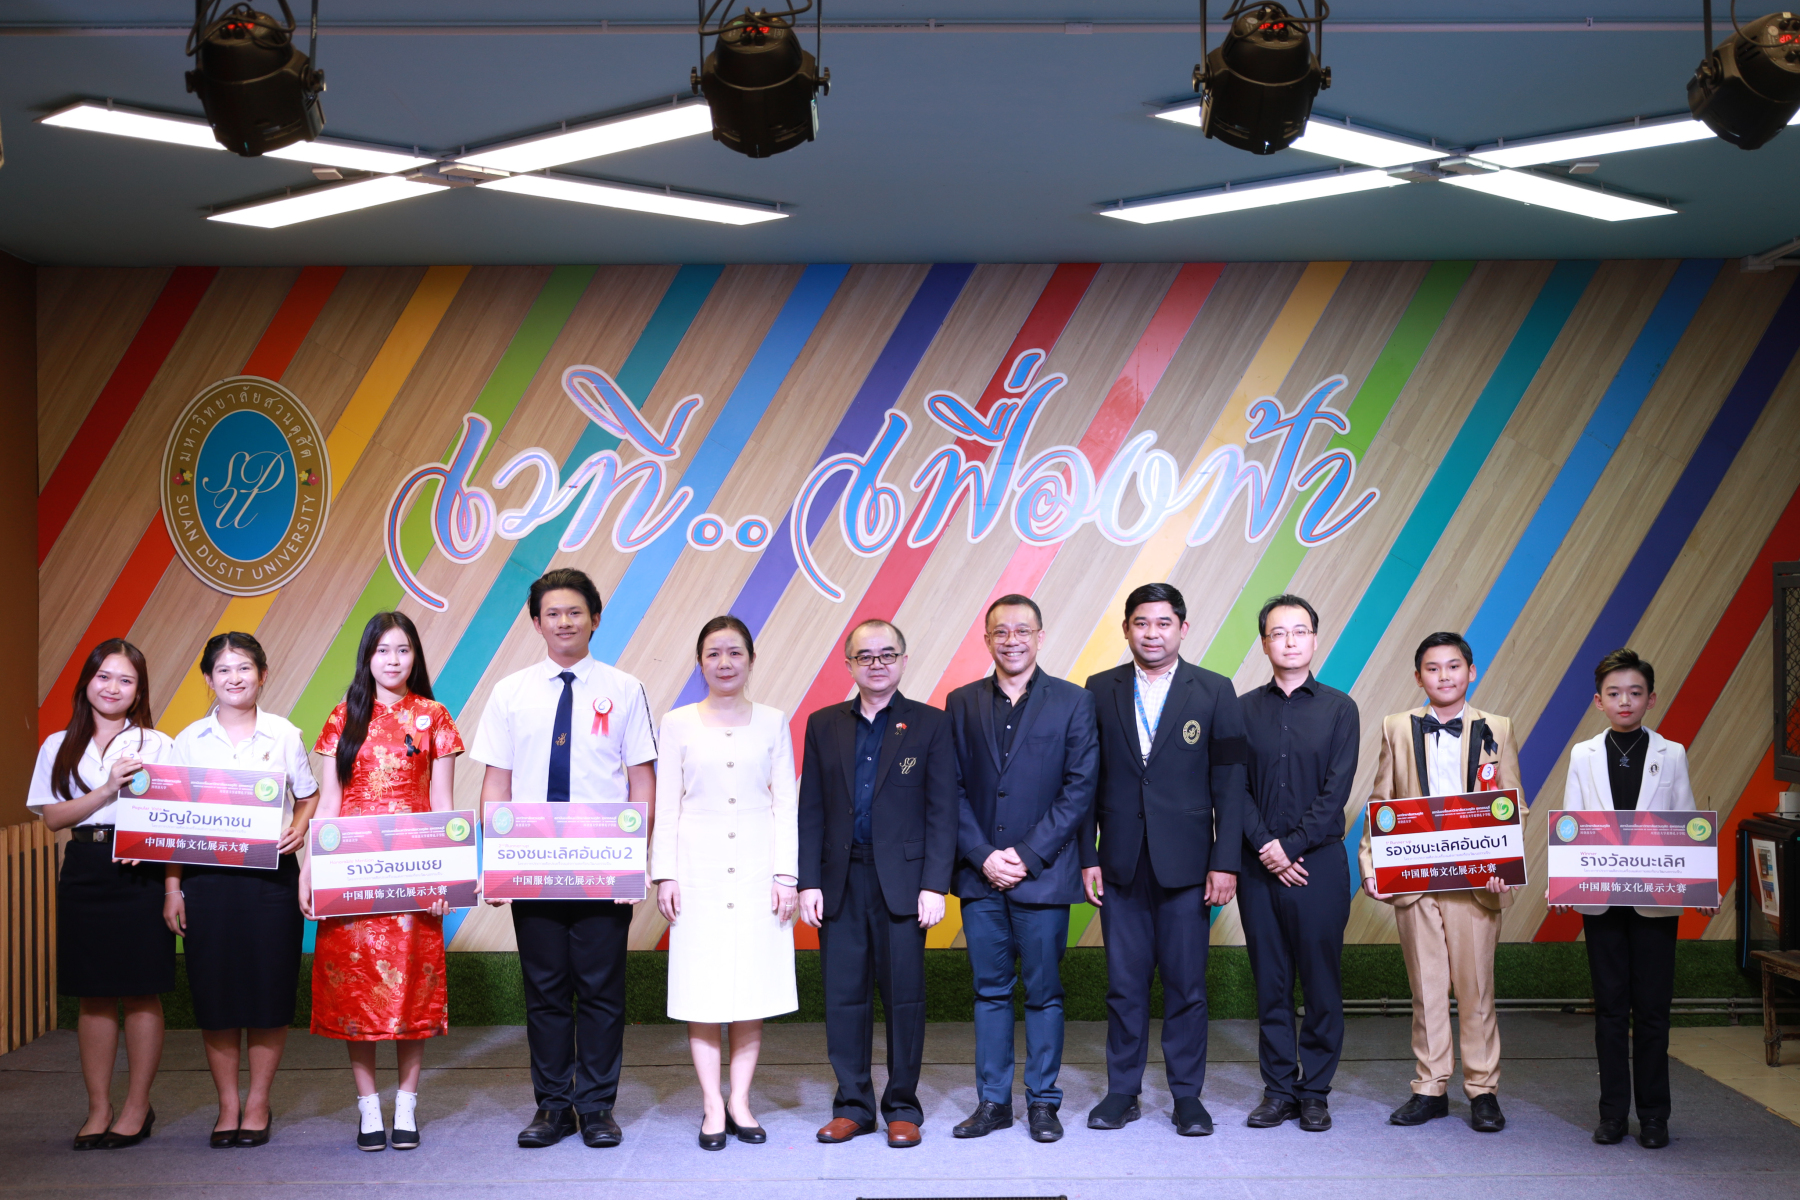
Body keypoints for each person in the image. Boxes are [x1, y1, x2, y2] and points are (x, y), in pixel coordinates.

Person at [472, 568, 656, 1150]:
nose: (564, 622)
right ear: (536, 623)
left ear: (595, 619)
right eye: (552, 613)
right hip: (531, 868)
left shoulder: (625, 689)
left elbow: (642, 783)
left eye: (575, 612)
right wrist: (494, 864)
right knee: (545, 990)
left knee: (602, 991)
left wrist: (635, 861)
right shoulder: (510, 692)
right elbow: (495, 785)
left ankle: (596, 1107)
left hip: (604, 868)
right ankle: (552, 1107)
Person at [1082, 583, 1249, 1138]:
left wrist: (1225, 861)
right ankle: (1122, 1092)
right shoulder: (1099, 689)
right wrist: (1087, 854)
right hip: (1120, 863)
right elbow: (1085, 781)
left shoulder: (1215, 690)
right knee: (1124, 986)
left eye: (1163, 623)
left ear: (1182, 628)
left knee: (1186, 987)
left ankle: (1186, 1097)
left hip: (1190, 868)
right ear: (1126, 629)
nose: (1151, 633)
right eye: (1141, 623)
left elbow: (1230, 783)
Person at [300, 611, 463, 1152]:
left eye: (403, 650)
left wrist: (446, 876)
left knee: (413, 994)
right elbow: (328, 804)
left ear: (415, 656)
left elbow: (443, 805)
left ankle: (406, 1106)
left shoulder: (434, 716)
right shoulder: (342, 716)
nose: (393, 660)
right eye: (383, 650)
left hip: (413, 875)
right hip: (351, 876)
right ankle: (368, 1108)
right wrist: (309, 870)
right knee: (356, 995)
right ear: (367, 657)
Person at [797, 619, 958, 1149]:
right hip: (839, 881)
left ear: (904, 661)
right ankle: (853, 1106)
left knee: (905, 998)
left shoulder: (931, 724)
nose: (877, 664)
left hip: (905, 884)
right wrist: (808, 881)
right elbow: (811, 808)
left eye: (887, 654)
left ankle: (903, 1108)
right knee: (844, 997)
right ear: (848, 664)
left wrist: (935, 884)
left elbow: (943, 811)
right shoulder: (823, 724)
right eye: (864, 656)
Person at [944, 594, 1097, 1144]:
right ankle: (992, 1103)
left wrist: (1027, 856)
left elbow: (1079, 788)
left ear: (1040, 636)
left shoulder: (1074, 702)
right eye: (1001, 632)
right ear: (987, 639)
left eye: (1022, 630)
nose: (1012, 640)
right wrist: (983, 854)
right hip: (979, 875)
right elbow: (949, 787)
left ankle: (1043, 1103)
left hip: (1045, 876)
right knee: (989, 992)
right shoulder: (960, 702)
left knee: (1044, 993)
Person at [1358, 631, 1518, 1134]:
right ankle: (1430, 1088)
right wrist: (1371, 864)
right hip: (1416, 879)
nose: (1444, 676)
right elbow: (1381, 803)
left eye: (1453, 666)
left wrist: (1505, 864)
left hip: (1476, 882)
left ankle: (1483, 1090)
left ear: (1472, 672)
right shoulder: (1396, 727)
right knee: (1426, 991)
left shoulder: (1498, 727)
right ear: (1418, 676)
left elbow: (1511, 801)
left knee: (1476, 990)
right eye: (1432, 668)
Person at [1554, 649, 1715, 1150]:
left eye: (1635, 692)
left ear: (1651, 699)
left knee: (1652, 1010)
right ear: (1598, 701)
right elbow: (1572, 821)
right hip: (1600, 899)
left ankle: (1654, 1117)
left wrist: (1700, 882)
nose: (1625, 701)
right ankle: (1612, 1115)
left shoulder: (1673, 753)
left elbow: (1685, 820)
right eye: (1614, 693)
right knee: (1609, 1009)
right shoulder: (1583, 754)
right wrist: (1562, 881)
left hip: (1656, 900)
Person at [165, 632, 319, 1148]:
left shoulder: (284, 734)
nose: (235, 678)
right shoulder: (187, 741)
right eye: (224, 670)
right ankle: (227, 1105)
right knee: (215, 995)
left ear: (263, 674)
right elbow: (171, 820)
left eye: (245, 667)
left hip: (271, 882)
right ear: (208, 679)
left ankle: (257, 1104)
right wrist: (172, 888)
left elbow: (309, 795)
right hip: (207, 883)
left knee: (270, 992)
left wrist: (299, 826)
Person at [651, 616, 799, 1151]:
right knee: (703, 991)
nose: (725, 663)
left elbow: (786, 802)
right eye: (713, 653)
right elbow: (668, 804)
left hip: (760, 872)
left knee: (751, 990)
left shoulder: (773, 722)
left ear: (751, 660)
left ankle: (740, 1101)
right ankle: (712, 1104)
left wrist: (786, 875)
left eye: (735, 652)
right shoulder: (677, 723)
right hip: (697, 874)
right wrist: (665, 873)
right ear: (700, 663)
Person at [28, 639, 177, 1151]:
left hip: (140, 871)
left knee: (141, 990)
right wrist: (108, 789)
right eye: (104, 676)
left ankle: (137, 1106)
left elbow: (173, 820)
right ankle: (98, 1107)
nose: (113, 687)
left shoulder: (158, 744)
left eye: (125, 680)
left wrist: (165, 875)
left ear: (139, 691)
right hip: (85, 868)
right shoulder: (57, 745)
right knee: (92, 995)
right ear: (87, 682)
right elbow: (53, 818)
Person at [1237, 594, 1359, 1133]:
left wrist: (1292, 846)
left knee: (1321, 984)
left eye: (1299, 631)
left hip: (1319, 865)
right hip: (1257, 865)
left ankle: (1315, 1093)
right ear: (1265, 643)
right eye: (1278, 632)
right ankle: (1279, 1090)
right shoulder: (1241, 710)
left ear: (1314, 638)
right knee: (1271, 983)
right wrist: (1268, 845)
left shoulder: (1340, 709)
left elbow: (1336, 792)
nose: (1289, 641)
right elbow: (1232, 788)